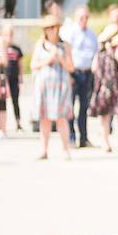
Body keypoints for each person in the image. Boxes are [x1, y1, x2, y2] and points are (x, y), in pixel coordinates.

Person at [31, 14, 73, 160]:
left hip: (60, 85)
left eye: (54, 27)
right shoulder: (40, 44)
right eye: (49, 28)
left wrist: (59, 58)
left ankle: (66, 149)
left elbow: (71, 67)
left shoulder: (65, 45)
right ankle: (44, 150)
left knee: (61, 118)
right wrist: (48, 59)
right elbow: (33, 65)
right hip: (44, 86)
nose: (52, 31)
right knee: (45, 119)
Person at [91, 25, 118, 152]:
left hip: (103, 87)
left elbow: (93, 68)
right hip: (116, 87)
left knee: (104, 116)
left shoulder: (100, 52)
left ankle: (105, 143)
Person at [64, 6, 98, 147]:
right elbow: (67, 53)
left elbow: (96, 51)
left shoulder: (91, 34)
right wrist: (70, 72)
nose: (84, 20)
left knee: (84, 107)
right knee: (70, 107)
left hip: (87, 73)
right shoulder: (71, 32)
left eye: (86, 17)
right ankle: (71, 137)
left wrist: (94, 65)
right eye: (81, 17)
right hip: (74, 73)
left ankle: (84, 138)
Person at [0, 23, 22, 134]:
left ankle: (18, 122)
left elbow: (20, 65)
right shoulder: (1, 47)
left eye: (10, 35)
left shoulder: (17, 49)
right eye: (6, 35)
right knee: (2, 101)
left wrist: (21, 77)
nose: (9, 37)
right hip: (4, 78)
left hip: (14, 78)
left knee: (15, 100)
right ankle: (1, 123)